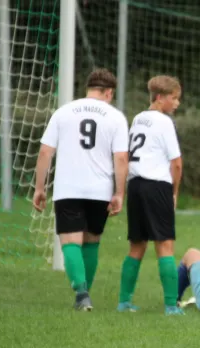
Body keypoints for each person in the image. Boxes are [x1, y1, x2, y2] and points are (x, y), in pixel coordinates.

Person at [33, 68, 129, 311]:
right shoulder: (116, 117)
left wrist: (40, 188)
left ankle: (82, 294)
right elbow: (121, 159)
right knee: (91, 241)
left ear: (89, 88)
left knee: (70, 242)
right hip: (100, 189)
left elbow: (45, 152)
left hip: (68, 188)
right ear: (109, 92)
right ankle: (85, 295)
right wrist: (119, 193)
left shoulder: (63, 112)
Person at [116, 75, 185, 316]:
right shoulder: (164, 122)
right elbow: (176, 163)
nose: (176, 104)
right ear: (159, 98)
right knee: (165, 245)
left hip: (135, 185)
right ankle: (170, 306)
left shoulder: (138, 119)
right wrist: (174, 192)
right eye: (173, 98)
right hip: (156, 186)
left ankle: (124, 303)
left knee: (137, 245)